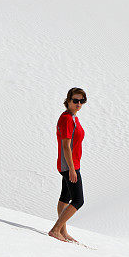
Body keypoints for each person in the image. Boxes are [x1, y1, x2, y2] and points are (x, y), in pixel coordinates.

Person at [48, 87, 86, 242]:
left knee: (65, 197)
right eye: (75, 100)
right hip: (69, 165)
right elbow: (66, 145)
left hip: (72, 164)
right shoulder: (67, 119)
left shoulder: (72, 117)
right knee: (78, 200)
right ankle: (56, 229)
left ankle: (62, 231)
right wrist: (71, 169)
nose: (78, 103)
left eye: (81, 101)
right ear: (68, 101)